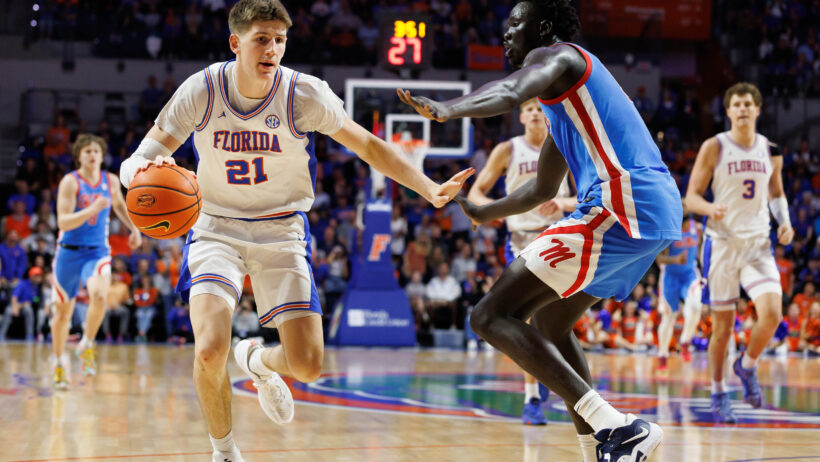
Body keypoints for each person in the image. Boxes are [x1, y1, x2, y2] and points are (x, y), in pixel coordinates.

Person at [117, 2, 472, 461]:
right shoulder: (201, 90)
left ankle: (256, 360)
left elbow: (367, 144)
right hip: (216, 228)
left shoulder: (304, 94)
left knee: (307, 365)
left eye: (280, 40)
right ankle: (224, 452)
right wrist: (143, 170)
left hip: (281, 229)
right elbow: (135, 161)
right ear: (235, 43)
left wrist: (428, 188)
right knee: (208, 350)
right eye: (262, 39)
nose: (272, 49)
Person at [398, 1, 681, 460]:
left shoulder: (560, 56)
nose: (506, 33)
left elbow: (512, 90)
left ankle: (619, 426)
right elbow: (543, 188)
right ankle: (597, 448)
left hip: (622, 202)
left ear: (544, 28)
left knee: (489, 316)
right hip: (652, 213)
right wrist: (484, 213)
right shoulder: (566, 106)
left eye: (515, 23)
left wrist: (449, 109)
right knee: (552, 323)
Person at [685, 82, 794, 423]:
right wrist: (709, 208)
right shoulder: (714, 146)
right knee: (722, 328)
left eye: (749, 103)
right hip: (721, 244)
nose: (743, 109)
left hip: (758, 244)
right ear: (728, 111)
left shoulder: (770, 149)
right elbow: (691, 197)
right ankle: (718, 391)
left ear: (757, 110)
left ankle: (746, 365)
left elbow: (776, 192)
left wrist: (785, 223)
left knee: (772, 314)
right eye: (737, 104)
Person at [467, 97, 575, 425]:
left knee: (554, 320)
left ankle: (544, 371)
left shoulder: (564, 146)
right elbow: (476, 193)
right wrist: (498, 210)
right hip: (521, 240)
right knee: (523, 318)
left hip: (559, 238)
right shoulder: (508, 149)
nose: (535, 114)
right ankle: (531, 399)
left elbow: (585, 196)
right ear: (522, 117)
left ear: (548, 115)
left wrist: (562, 203)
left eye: (540, 109)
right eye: (529, 109)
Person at [51, 134, 142, 390]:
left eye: (96, 151)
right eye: (87, 151)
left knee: (100, 297)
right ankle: (59, 362)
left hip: (97, 252)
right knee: (62, 314)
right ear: (79, 156)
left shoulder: (110, 180)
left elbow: (120, 205)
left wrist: (134, 229)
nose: (92, 155)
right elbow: (63, 222)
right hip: (69, 253)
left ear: (102, 156)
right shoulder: (71, 182)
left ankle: (87, 343)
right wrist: (92, 209)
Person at [655, 210, 702, 369]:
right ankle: (662, 354)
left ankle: (685, 341)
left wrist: (704, 269)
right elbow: (659, 259)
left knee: (696, 306)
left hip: (690, 275)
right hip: (670, 277)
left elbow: (700, 250)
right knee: (669, 317)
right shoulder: (669, 230)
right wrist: (675, 259)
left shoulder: (697, 228)